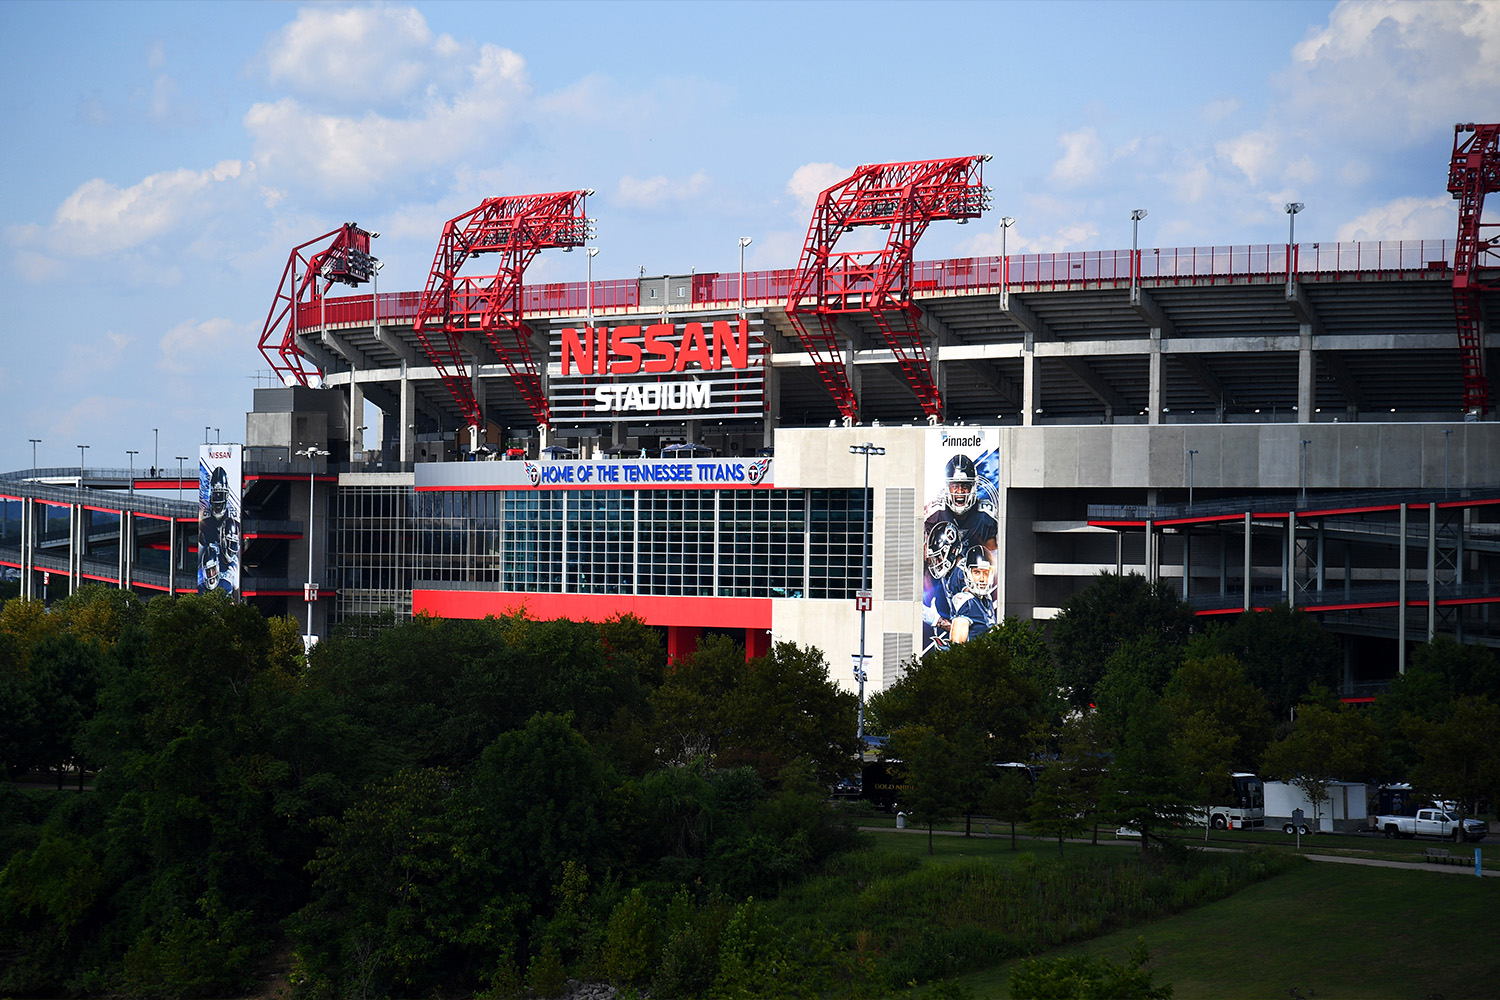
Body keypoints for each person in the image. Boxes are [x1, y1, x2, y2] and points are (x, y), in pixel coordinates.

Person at [948, 545, 996, 644]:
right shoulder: (966, 602)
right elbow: (957, 649)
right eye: (977, 572)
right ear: (968, 574)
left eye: (985, 573)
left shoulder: (986, 600)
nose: (982, 579)